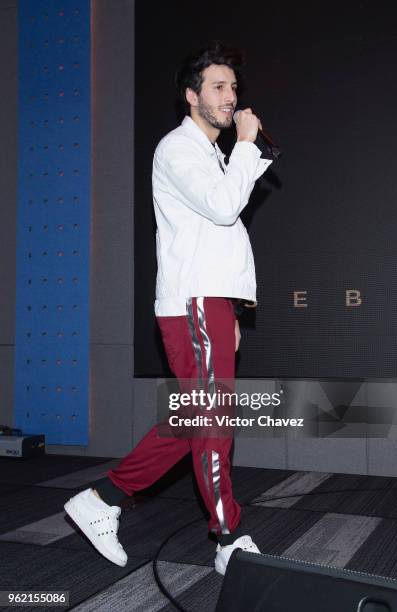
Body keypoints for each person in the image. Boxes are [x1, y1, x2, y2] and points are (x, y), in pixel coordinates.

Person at [64, 41, 272, 576]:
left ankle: (103, 497)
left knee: (194, 420)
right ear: (191, 96)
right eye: (219, 88)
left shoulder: (209, 154)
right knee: (212, 421)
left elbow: (216, 234)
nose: (231, 99)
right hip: (194, 302)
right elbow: (226, 209)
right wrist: (248, 146)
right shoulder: (177, 149)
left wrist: (231, 312)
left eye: (233, 88)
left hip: (208, 303)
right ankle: (227, 535)